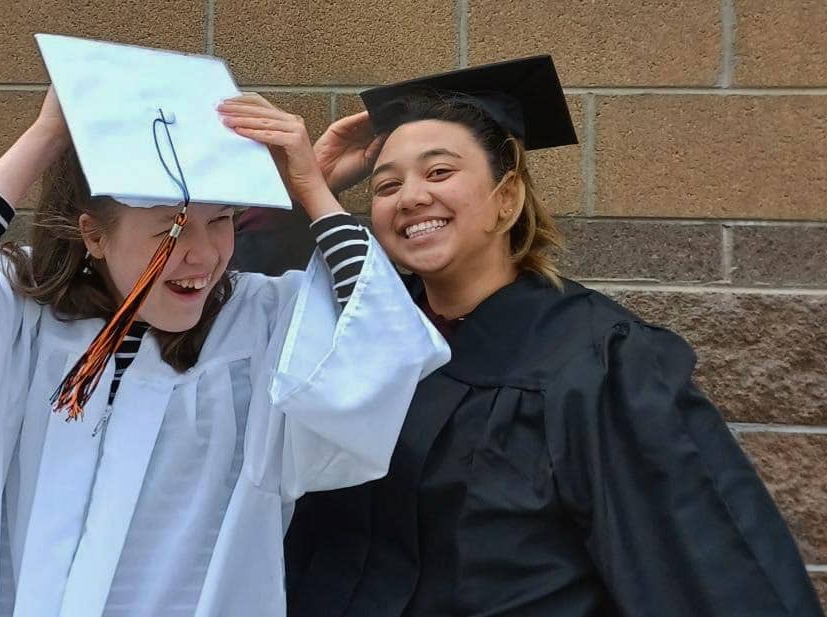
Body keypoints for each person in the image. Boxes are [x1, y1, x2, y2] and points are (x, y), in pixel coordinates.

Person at [0, 41, 449, 617]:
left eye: (221, 220)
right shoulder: (26, 322)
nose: (202, 254)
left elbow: (383, 347)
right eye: (171, 227)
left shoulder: (257, 328)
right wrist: (45, 138)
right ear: (93, 234)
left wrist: (310, 188)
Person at [283, 55, 825, 617]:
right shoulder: (363, 340)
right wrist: (307, 190)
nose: (410, 197)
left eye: (439, 172)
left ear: (508, 199)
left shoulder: (598, 359)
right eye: (387, 184)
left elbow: (698, 561)